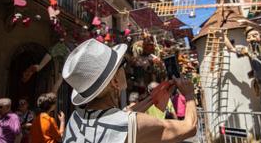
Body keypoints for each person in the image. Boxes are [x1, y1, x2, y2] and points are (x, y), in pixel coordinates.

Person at [62, 39, 197, 143]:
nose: (126, 69)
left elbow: (120, 116)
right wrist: (189, 95)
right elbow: (189, 128)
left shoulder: (76, 119)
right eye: (122, 65)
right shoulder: (128, 124)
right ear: (114, 81)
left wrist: (153, 98)